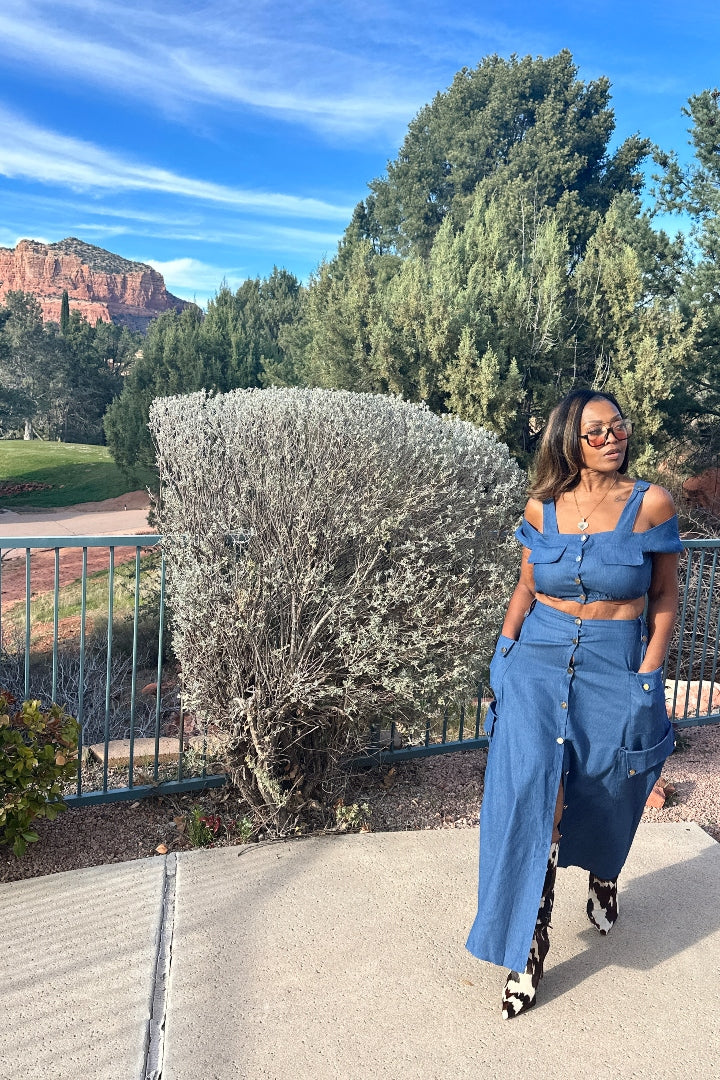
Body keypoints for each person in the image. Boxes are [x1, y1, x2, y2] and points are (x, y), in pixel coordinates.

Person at [466, 388, 683, 1019]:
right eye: (597, 431)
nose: (614, 438)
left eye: (619, 426)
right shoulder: (542, 506)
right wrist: (503, 654)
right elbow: (526, 586)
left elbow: (665, 596)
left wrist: (649, 673)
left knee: (612, 781)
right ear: (570, 440)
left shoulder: (651, 504)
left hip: (615, 660)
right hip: (536, 658)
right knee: (532, 794)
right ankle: (528, 945)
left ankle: (604, 870)